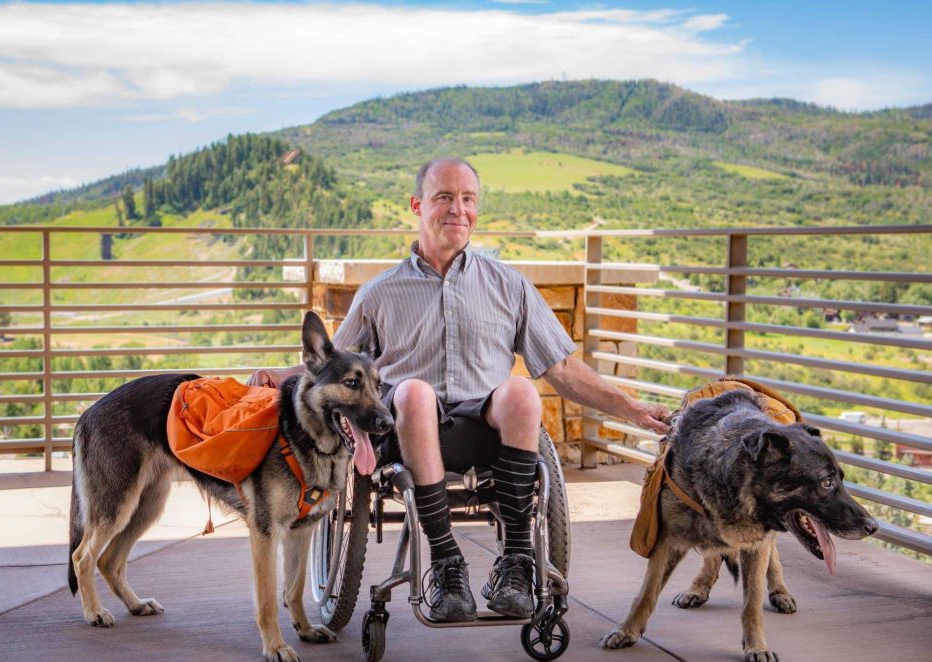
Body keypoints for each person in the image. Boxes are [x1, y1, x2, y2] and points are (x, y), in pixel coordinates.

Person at [251, 157, 669, 622]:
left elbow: (565, 368)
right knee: (412, 393)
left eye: (468, 199)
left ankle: (515, 560)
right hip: (405, 430)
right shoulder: (380, 293)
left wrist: (633, 411)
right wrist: (279, 375)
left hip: (484, 431)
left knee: (522, 393)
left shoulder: (508, 285)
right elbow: (332, 367)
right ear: (417, 206)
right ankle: (447, 563)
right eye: (444, 197)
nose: (458, 209)